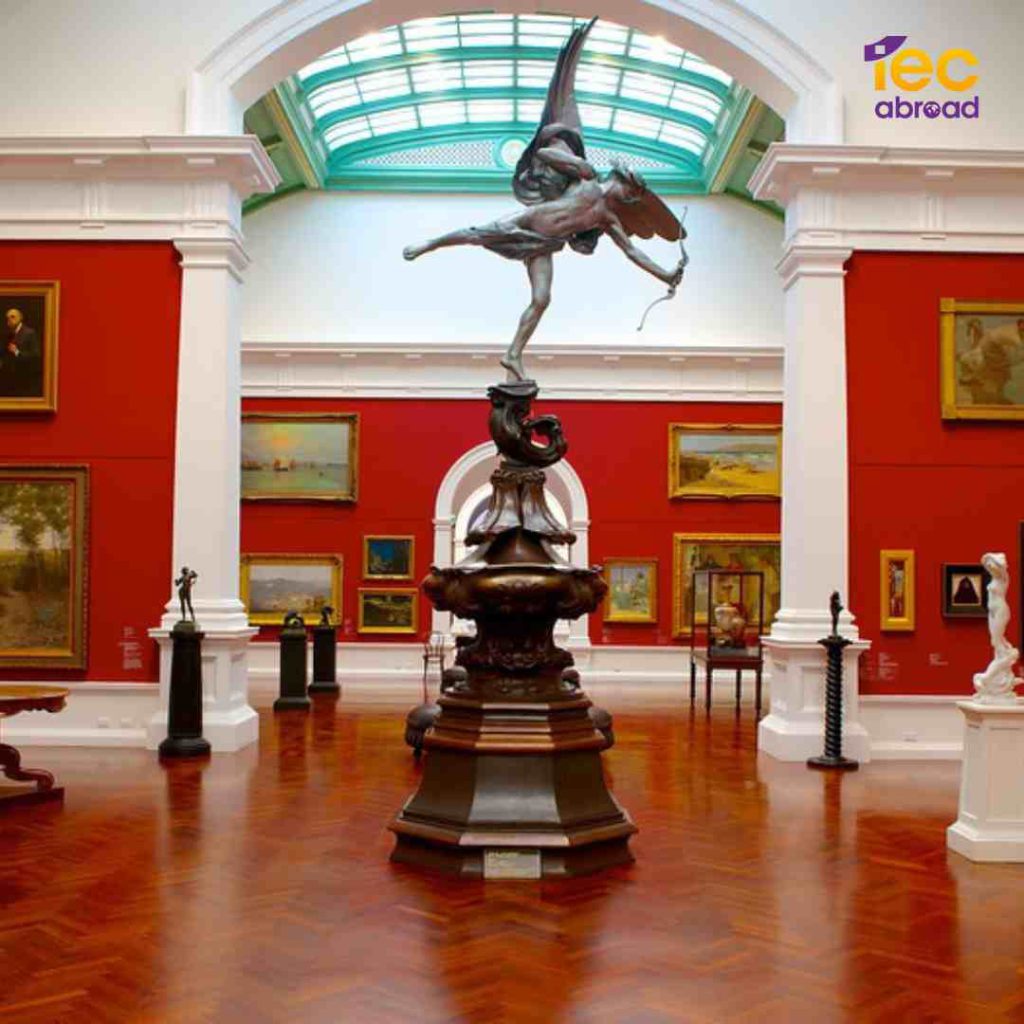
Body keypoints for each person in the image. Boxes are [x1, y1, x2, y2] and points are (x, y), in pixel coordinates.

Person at [402, 19, 686, 383]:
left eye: (633, 195)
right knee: (476, 234)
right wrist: (572, 161)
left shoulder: (606, 218)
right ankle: (429, 244)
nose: (630, 198)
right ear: (620, 180)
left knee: (542, 299)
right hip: (529, 221)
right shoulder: (585, 176)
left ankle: (513, 354)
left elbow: (633, 252)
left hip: (544, 244)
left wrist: (665, 274)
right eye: (630, 190)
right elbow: (546, 153)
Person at [1, 307, 41, 397]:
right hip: (8, 379)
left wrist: (17, 352)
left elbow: (35, 355)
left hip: (24, 379)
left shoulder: (30, 333)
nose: (9, 320)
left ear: (20, 318)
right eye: (8, 318)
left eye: (13, 317)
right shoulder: (8, 334)